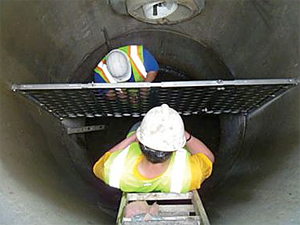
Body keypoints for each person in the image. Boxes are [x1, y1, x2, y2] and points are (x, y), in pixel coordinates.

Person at [93, 104, 215, 193]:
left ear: (140, 143)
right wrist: (186, 136)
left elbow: (99, 167)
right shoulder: (190, 175)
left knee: (137, 125)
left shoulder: (112, 170)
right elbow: (209, 157)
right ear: (175, 147)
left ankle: (139, 127)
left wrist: (133, 137)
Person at [94, 45, 159, 84]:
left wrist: (145, 87)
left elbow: (153, 70)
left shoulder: (139, 54)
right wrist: (122, 96)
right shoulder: (100, 73)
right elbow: (109, 94)